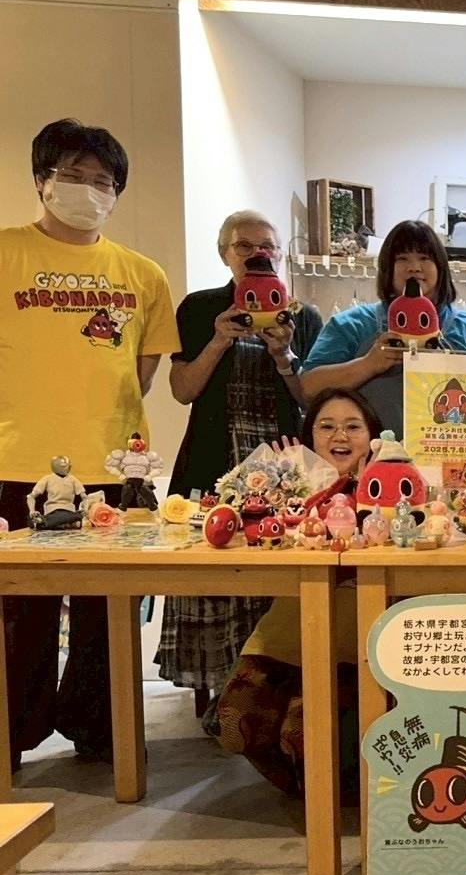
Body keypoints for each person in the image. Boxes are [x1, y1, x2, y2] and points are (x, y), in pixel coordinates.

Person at [0, 119, 179, 765]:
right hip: (16, 462)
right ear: (41, 180)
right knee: (22, 615)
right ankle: (13, 734)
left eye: (103, 181)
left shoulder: (143, 274)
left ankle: (100, 731)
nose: (89, 190)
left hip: (115, 469)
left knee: (109, 615)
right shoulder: (6, 253)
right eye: (73, 176)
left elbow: (142, 373)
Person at [156, 211, 323, 706]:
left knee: (276, 574)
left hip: (283, 461)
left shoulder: (301, 316)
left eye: (267, 245)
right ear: (225, 254)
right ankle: (217, 693)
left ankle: (269, 688)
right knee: (213, 571)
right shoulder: (200, 307)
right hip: (215, 454)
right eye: (244, 246)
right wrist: (219, 339)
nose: (257, 254)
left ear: (280, 254)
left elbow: (311, 400)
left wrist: (283, 356)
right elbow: (182, 390)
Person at [214, 388, 381, 797]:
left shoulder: (392, 486)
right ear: (309, 438)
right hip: (286, 636)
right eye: (326, 426)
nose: (339, 435)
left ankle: (334, 797)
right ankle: (310, 789)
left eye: (353, 426)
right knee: (233, 725)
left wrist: (372, 485)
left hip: (355, 644)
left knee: (302, 731)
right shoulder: (291, 485)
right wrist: (273, 482)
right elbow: (243, 531)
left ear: (373, 436)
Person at [301, 220, 466, 433]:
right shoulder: (352, 325)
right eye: (402, 258)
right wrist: (368, 364)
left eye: (424, 258)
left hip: (449, 452)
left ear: (441, 267)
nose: (414, 267)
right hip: (371, 453)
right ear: (387, 269)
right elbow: (309, 388)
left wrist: (461, 371)